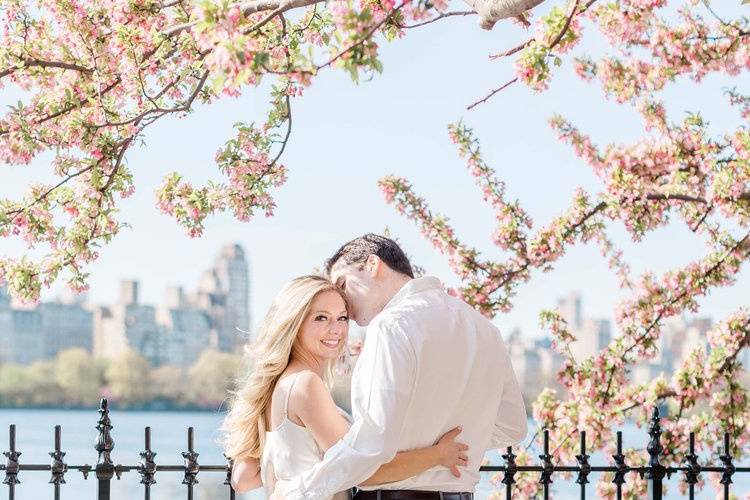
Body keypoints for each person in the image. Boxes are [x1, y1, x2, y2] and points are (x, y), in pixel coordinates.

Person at [272, 234, 528, 500]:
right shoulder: (485, 329)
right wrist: (449, 446)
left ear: (373, 265)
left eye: (343, 283)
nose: (343, 300)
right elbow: (513, 427)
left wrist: (298, 492)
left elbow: (372, 443)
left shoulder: (391, 326)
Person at [222, 275, 470, 500]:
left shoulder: (281, 383)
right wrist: (438, 455)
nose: (336, 329)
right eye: (321, 318)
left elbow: (242, 478)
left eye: (342, 318)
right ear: (294, 323)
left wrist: (294, 478)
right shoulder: (305, 384)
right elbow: (362, 471)